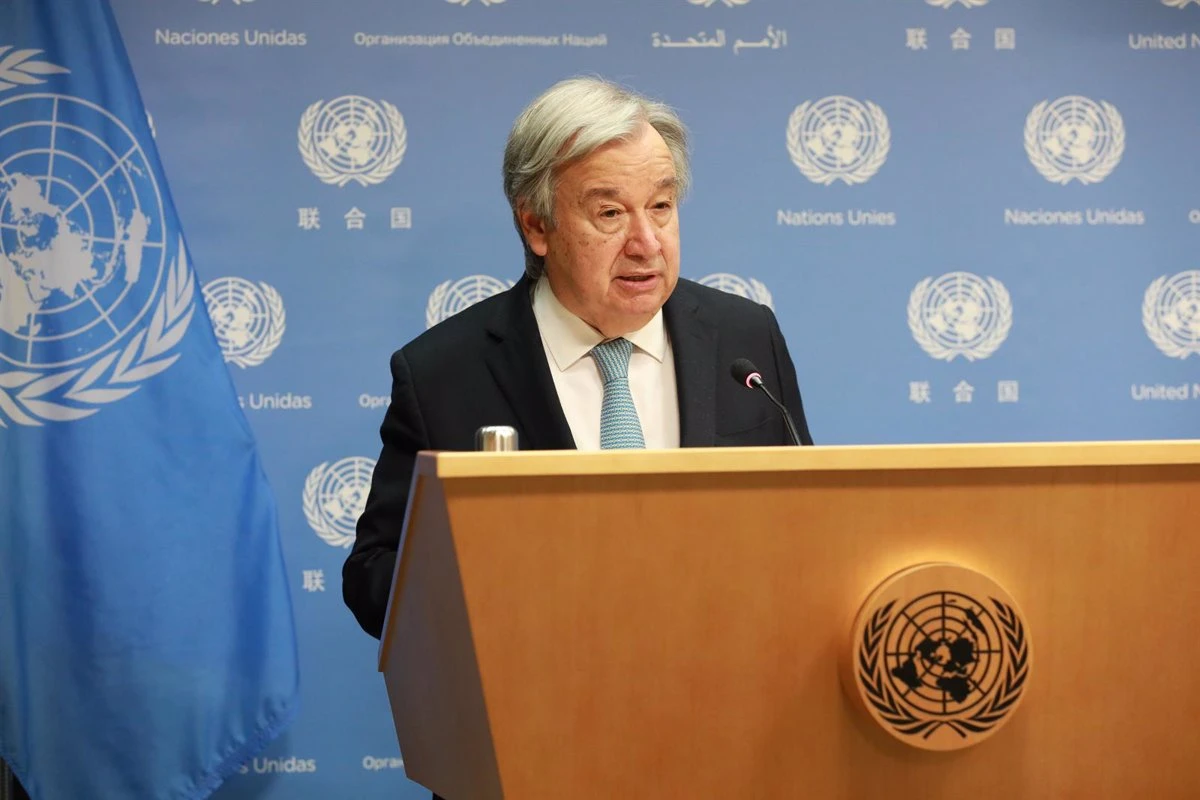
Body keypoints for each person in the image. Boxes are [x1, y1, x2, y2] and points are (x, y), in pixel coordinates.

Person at [344, 74, 812, 637]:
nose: (647, 242)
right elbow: (374, 579)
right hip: (542, 698)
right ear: (537, 225)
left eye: (661, 206)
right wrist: (499, 569)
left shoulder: (743, 338)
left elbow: (807, 527)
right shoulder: (444, 373)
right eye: (610, 214)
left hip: (732, 688)